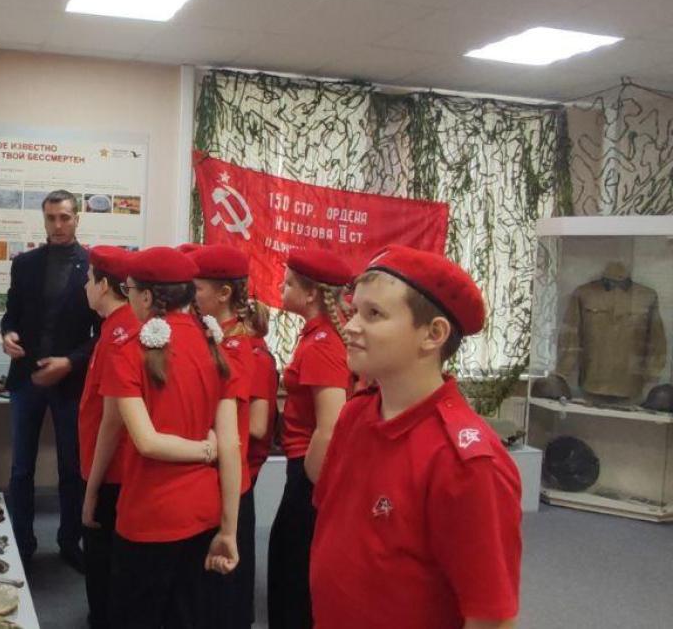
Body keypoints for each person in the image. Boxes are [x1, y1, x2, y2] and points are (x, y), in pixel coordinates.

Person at [311, 245, 522, 628]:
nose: (350, 326)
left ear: (433, 334)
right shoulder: (356, 414)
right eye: (354, 310)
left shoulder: (466, 464)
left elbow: (490, 618)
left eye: (373, 314)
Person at [99, 246, 242, 628]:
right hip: (203, 512)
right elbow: (230, 447)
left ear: (147, 297)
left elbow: (147, 442)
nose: (128, 297)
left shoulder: (127, 351)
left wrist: (203, 450)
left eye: (129, 289)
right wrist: (229, 530)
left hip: (148, 515)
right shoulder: (214, 348)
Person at [0, 189, 100, 570]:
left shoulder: (93, 267)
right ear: (44, 219)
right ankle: (22, 543)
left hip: (70, 382)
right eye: (51, 218)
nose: (58, 225)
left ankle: (69, 541)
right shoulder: (25, 264)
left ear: (77, 219)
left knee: (71, 468)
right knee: (21, 469)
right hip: (26, 379)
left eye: (65, 217)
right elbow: (11, 314)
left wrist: (70, 362)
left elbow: (101, 336)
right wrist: (7, 334)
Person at [267, 248, 353, 629]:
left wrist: (311, 486)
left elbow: (330, 425)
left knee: (292, 568)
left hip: (309, 469)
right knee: (290, 561)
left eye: (288, 284)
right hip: (303, 465)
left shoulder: (322, 345)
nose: (281, 289)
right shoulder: (318, 337)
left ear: (312, 293)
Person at [188, 243, 270, 627]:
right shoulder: (217, 336)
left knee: (224, 593)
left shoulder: (237, 347)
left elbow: (237, 429)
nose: (191, 295)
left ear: (223, 293)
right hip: (215, 476)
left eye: (197, 288)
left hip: (229, 480)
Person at [77, 245, 141, 628]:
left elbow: (111, 422)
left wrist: (91, 489)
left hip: (111, 473)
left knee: (104, 567)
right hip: (112, 469)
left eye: (89, 279)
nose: (85, 286)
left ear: (103, 285)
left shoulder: (119, 337)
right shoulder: (118, 327)